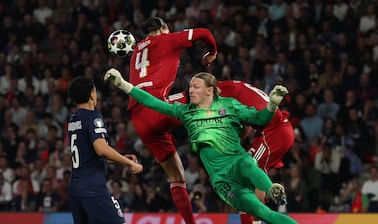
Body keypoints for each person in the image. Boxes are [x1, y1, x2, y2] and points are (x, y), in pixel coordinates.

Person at [105, 69, 299, 224]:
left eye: (196, 86)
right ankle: (270, 193)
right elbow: (153, 103)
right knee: (263, 213)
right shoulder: (185, 112)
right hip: (222, 181)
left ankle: (271, 188)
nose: (191, 90)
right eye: (190, 86)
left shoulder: (230, 105)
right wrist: (123, 84)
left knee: (248, 165)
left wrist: (272, 105)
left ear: (210, 90)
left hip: (238, 161)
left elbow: (259, 118)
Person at [128, 17, 217, 224]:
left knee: (177, 177)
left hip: (139, 120)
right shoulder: (166, 39)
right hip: (157, 108)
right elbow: (205, 32)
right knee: (205, 91)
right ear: (163, 29)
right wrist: (212, 52)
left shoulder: (136, 52)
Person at [67, 76, 143, 224]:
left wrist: (121, 158)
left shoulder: (73, 120)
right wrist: (130, 164)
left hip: (75, 188)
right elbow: (101, 149)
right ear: (92, 94)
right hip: (93, 188)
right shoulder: (93, 117)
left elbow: (91, 154)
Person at [217, 80, 295, 224]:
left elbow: (245, 128)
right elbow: (247, 124)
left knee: (247, 180)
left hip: (275, 132)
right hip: (278, 129)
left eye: (197, 87)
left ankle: (255, 219)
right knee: (250, 176)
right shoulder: (234, 87)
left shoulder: (224, 93)